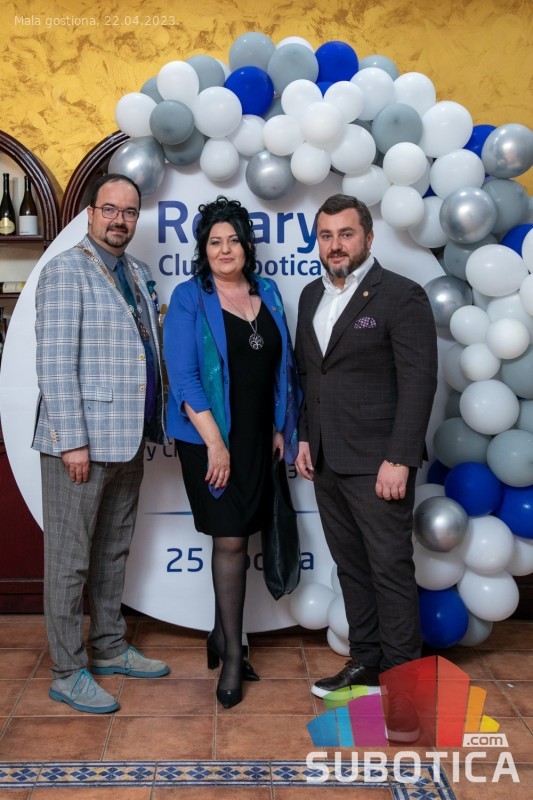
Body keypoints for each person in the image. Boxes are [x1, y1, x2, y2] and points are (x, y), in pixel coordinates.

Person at [294, 193, 437, 740]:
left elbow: (419, 382)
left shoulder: (402, 295)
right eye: (326, 235)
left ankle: (406, 696)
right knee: (352, 568)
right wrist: (305, 436)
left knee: (390, 572)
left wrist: (399, 457)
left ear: (369, 238)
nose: (335, 245)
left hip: (381, 463)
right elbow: (311, 375)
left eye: (346, 234)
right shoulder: (311, 295)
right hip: (326, 459)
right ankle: (367, 665)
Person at [33, 173, 170, 714]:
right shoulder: (65, 271)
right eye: (110, 209)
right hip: (80, 444)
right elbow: (54, 363)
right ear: (90, 214)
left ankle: (110, 646)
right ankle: (68, 671)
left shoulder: (137, 272)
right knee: (70, 561)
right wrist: (71, 442)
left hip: (128, 438)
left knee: (113, 549)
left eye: (129, 212)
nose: (120, 220)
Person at [164, 196, 300, 709]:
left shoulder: (268, 292)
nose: (225, 249)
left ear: (247, 246)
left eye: (234, 240)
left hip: (258, 438)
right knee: (230, 541)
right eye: (214, 241)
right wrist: (216, 445)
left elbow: (282, 368)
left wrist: (280, 426)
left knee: (245, 532)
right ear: (203, 249)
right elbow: (184, 379)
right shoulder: (189, 297)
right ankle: (233, 657)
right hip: (208, 439)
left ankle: (220, 636)